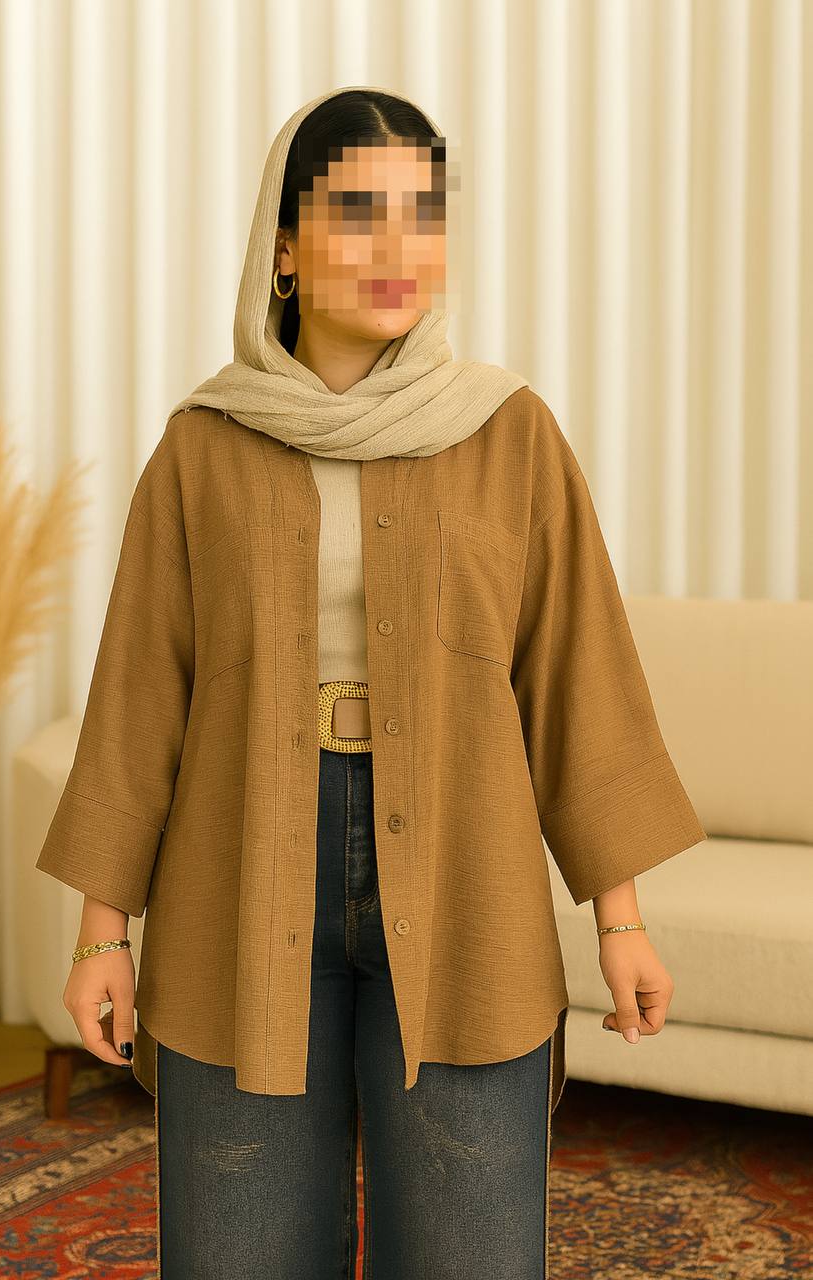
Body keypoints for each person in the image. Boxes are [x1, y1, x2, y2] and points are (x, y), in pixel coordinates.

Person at [37, 85, 707, 1279]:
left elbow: (580, 679)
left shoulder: (509, 434)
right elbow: (140, 693)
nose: (400, 246)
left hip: (468, 873)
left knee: (469, 1249)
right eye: (359, 212)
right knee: (238, 1250)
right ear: (285, 245)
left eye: (422, 213)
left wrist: (622, 918)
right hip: (239, 873)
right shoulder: (203, 446)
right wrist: (102, 934)